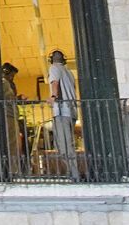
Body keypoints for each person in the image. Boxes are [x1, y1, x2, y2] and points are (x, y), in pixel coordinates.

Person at [47, 50, 80, 179]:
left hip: (61, 111)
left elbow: (55, 82)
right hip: (71, 111)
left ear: (52, 59)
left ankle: (74, 174)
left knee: (64, 145)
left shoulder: (54, 68)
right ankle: (71, 172)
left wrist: (53, 96)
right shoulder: (69, 73)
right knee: (67, 143)